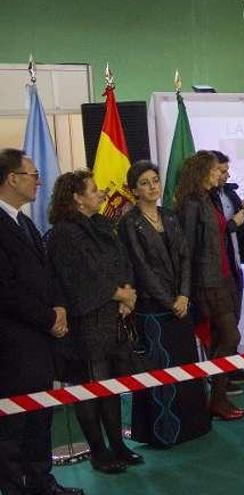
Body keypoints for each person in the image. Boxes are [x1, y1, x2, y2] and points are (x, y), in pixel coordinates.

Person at [46, 170, 141, 474]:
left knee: (112, 388)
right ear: (76, 198)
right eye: (94, 190)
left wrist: (127, 295)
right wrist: (118, 295)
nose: (101, 194)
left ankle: (118, 445)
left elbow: (120, 261)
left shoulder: (101, 225)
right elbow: (79, 277)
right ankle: (98, 452)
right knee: (90, 389)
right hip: (87, 324)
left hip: (113, 318)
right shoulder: (63, 233)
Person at [0, 149, 83, 495]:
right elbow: (6, 290)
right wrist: (48, 317)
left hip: (40, 341)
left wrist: (60, 307)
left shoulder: (25, 221)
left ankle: (40, 481)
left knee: (40, 415)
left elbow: (46, 273)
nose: (39, 181)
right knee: (14, 424)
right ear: (12, 178)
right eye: (33, 175)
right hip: (13, 343)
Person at [118, 161, 211, 447]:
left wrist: (183, 296)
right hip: (153, 309)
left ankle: (193, 427)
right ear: (134, 189)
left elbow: (185, 258)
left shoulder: (169, 216)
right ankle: (162, 433)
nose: (152, 186)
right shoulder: (129, 223)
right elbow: (141, 267)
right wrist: (169, 301)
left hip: (180, 305)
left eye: (155, 180)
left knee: (186, 366)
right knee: (159, 371)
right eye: (145, 182)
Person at [175, 150, 244, 419]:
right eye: (216, 170)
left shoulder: (210, 198)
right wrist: (188, 289)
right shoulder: (192, 203)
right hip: (207, 283)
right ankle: (216, 398)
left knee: (221, 338)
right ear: (203, 171)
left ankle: (218, 399)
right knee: (231, 337)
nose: (220, 174)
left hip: (223, 276)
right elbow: (188, 250)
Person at [211, 151, 244, 390]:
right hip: (216, 270)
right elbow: (216, 231)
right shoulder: (203, 198)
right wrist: (235, 222)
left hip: (235, 263)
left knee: (234, 322)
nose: (226, 174)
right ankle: (219, 377)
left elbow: (237, 227)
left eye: (226, 170)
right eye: (221, 171)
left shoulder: (230, 192)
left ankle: (232, 369)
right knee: (222, 328)